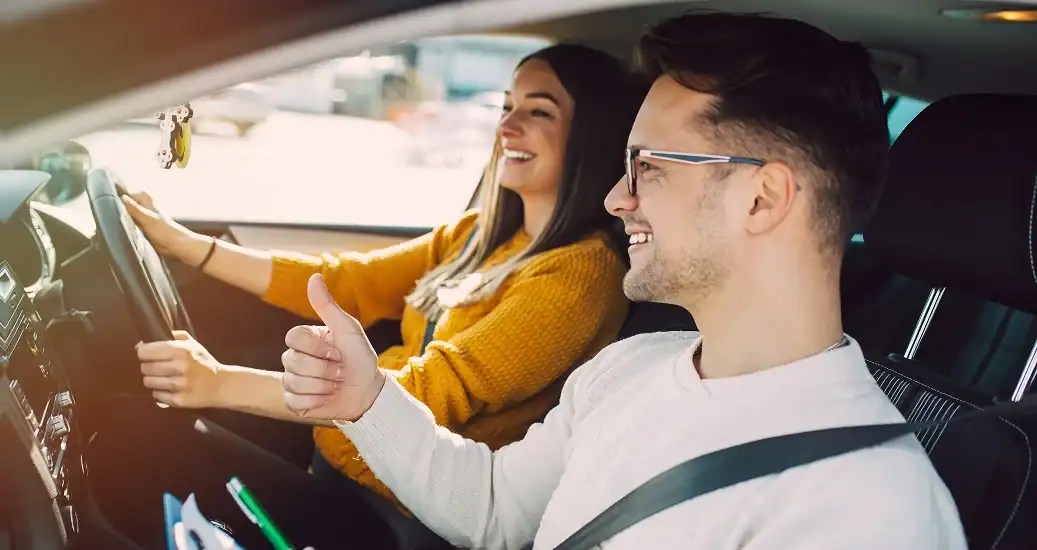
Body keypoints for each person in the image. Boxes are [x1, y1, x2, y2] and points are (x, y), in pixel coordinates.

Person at [279, 12, 968, 550]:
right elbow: (493, 510)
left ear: (761, 199)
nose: (615, 198)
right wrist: (367, 400)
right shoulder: (629, 368)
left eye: (649, 167)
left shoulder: (870, 508)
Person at [88, 44, 649, 550]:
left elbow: (425, 394)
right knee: (130, 435)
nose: (507, 124)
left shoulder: (579, 275)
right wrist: (187, 246)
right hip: (341, 478)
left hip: (395, 522)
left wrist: (217, 382)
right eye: (507, 106)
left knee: (129, 436)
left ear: (590, 135)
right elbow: (349, 283)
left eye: (539, 112)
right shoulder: (480, 235)